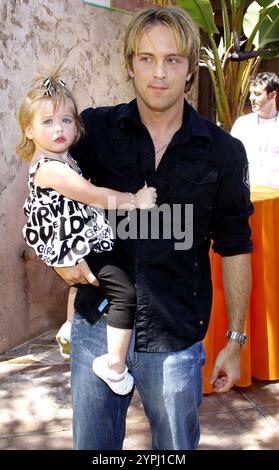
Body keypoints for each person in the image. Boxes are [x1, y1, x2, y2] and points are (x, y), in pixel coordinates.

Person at [55, 7, 253, 450]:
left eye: (172, 60)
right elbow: (48, 194)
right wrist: (59, 261)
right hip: (97, 330)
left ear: (190, 69)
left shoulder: (223, 152)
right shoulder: (94, 131)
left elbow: (237, 246)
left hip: (177, 337)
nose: (158, 73)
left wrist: (235, 340)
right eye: (146, 58)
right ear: (129, 65)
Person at [17, 67, 157, 395]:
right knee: (125, 294)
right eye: (47, 122)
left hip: (83, 242)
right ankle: (114, 365)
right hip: (82, 245)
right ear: (29, 129)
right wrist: (134, 200)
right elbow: (92, 195)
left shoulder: (64, 159)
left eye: (66, 120)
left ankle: (70, 327)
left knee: (86, 288)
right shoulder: (51, 169)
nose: (59, 129)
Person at [231, 71, 279, 188]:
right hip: (247, 195)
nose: (251, 98)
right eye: (251, 93)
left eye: (257, 94)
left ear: (272, 95)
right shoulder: (242, 124)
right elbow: (230, 159)